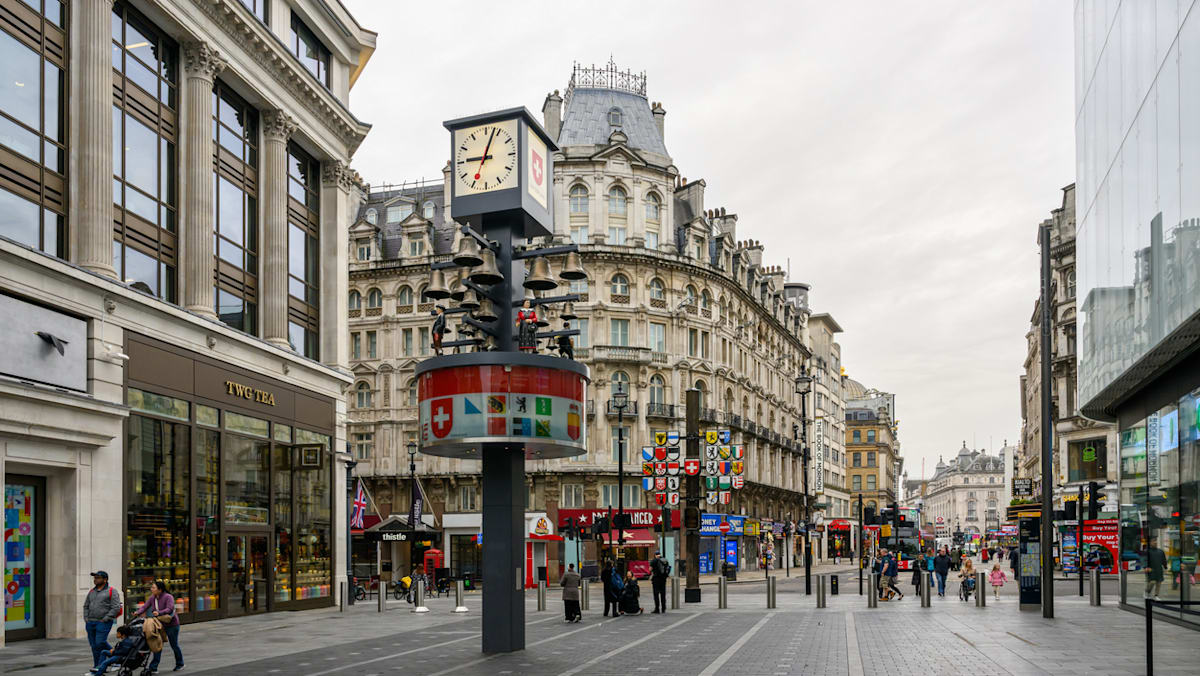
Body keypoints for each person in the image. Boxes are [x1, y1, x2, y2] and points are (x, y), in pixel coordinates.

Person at [132, 580, 183, 672]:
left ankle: (180, 663)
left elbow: (170, 608)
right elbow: (145, 606)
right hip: (159, 624)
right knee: (157, 644)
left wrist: (159, 612)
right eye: (151, 587)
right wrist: (137, 612)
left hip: (172, 625)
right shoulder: (152, 598)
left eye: (153, 588)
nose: (151, 589)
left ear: (160, 589)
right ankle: (153, 667)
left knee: (174, 645)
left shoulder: (168, 597)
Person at [83, 571, 122, 669]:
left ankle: (117, 657)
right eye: (95, 578)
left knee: (100, 642)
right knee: (94, 646)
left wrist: (105, 618)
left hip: (103, 622)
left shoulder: (112, 591)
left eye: (98, 578)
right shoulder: (92, 591)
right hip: (90, 622)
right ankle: (98, 666)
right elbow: (86, 606)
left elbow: (116, 607)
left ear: (105, 580)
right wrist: (86, 618)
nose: (95, 580)